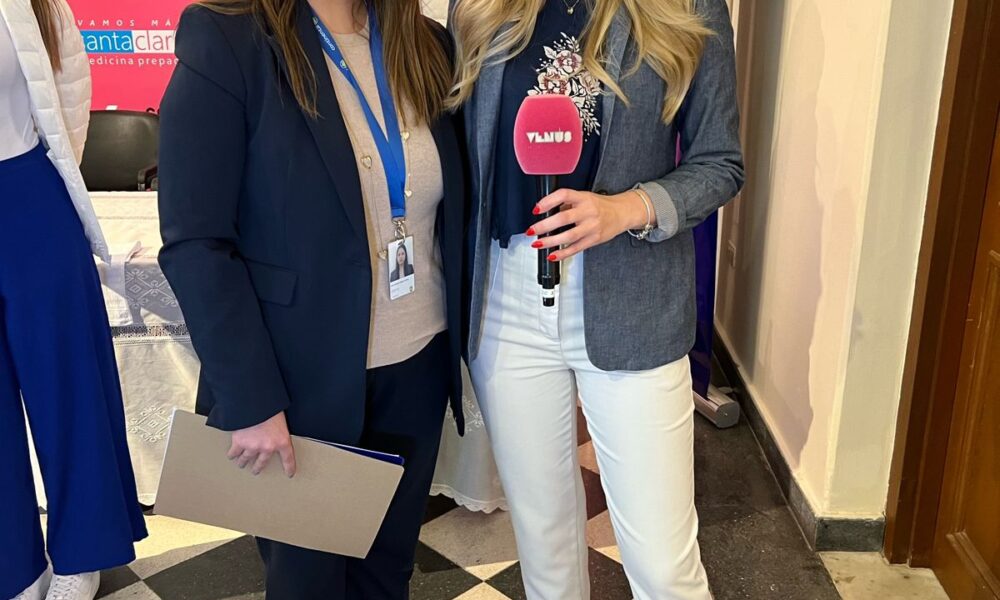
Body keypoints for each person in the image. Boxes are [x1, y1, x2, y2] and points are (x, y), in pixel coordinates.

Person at [157, 0, 466, 596]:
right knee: (309, 582)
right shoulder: (230, 38)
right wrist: (249, 398)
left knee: (387, 572)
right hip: (298, 381)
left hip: (417, 365)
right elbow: (197, 240)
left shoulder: (425, 43)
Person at [449, 0, 745, 597]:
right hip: (507, 298)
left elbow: (720, 163)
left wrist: (627, 209)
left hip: (634, 295)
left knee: (664, 566)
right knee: (545, 549)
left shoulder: (688, 7)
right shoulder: (480, 6)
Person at [0, 1, 148, 599]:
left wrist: (54, 174)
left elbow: (69, 92)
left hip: (28, 191)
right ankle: (14, 566)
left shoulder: (37, 4)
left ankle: (83, 554)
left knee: (68, 384)